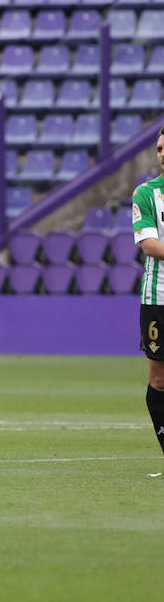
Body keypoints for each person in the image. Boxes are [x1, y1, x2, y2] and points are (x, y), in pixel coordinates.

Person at [132, 125, 164, 467]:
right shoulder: (146, 193)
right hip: (158, 299)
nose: (162, 154)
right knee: (158, 379)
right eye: (158, 149)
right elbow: (149, 244)